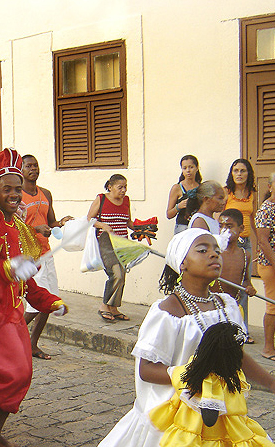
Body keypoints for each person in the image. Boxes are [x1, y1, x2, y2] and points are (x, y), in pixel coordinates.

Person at [98, 228, 275, 447]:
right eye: (202, 250)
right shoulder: (167, 312)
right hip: (176, 416)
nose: (213, 255)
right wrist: (195, 375)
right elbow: (146, 370)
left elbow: (236, 356)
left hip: (222, 411)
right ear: (183, 263)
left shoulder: (227, 306)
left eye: (216, 251)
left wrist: (271, 382)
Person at [0, 146, 68, 447]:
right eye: (7, 189)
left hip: (14, 311)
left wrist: (49, 301)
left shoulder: (18, 226)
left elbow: (26, 277)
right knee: (9, 372)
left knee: (24, 374)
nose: (15, 194)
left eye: (18, 189)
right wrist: (7, 269)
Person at [149, 322, 273, 447]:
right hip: (210, 434)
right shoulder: (212, 383)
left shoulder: (193, 369)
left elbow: (175, 373)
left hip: (192, 428)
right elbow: (209, 420)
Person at [21, 154, 72, 360]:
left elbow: (50, 222)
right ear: (21, 169)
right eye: (28, 166)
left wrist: (61, 223)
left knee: (50, 302)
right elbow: (15, 227)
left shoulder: (46, 194)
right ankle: (11, 337)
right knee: (38, 301)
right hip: (29, 255)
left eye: (36, 165)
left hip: (46, 253)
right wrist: (35, 229)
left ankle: (32, 344)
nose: (33, 169)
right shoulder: (18, 196)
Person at [87, 174, 135, 322]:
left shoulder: (126, 201)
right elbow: (89, 219)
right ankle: (104, 306)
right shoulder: (101, 199)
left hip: (122, 243)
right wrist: (103, 226)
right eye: (120, 187)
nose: (123, 190)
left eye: (125, 187)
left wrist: (141, 229)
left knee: (122, 276)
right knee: (116, 274)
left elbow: (128, 222)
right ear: (110, 186)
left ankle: (113, 308)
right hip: (106, 242)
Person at [210, 208, 256, 343]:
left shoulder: (245, 255)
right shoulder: (214, 253)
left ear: (241, 228)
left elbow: (245, 281)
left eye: (229, 226)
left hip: (232, 309)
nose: (224, 230)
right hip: (213, 308)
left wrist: (249, 288)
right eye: (221, 226)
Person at [255, 172, 275, 361]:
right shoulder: (266, 209)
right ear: (270, 187)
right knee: (272, 306)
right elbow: (263, 241)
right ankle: (268, 348)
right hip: (270, 265)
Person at [166, 155, 202, 234]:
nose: (188, 170)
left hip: (198, 227)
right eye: (184, 168)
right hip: (182, 227)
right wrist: (178, 206)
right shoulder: (177, 188)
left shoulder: (201, 188)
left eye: (191, 167)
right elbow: (169, 214)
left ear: (197, 168)